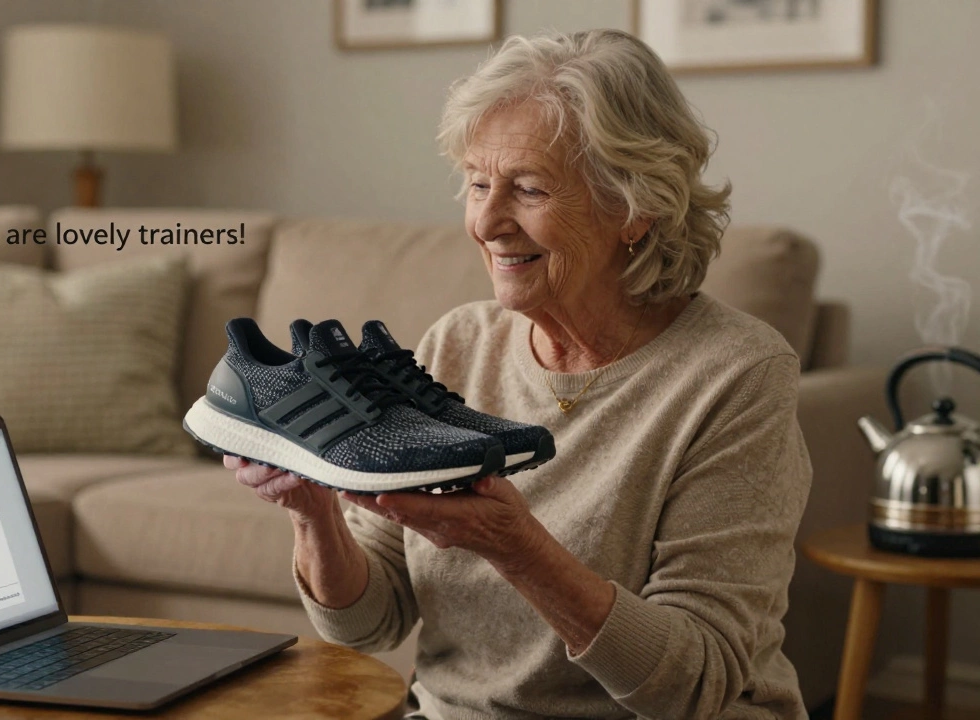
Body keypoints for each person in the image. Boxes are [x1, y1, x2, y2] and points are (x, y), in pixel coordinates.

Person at [225, 28, 810, 719]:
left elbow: (693, 683)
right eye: (477, 183)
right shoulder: (458, 346)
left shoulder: (735, 374)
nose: (488, 221)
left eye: (528, 189)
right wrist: (315, 515)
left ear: (634, 207)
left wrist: (520, 549)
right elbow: (369, 626)